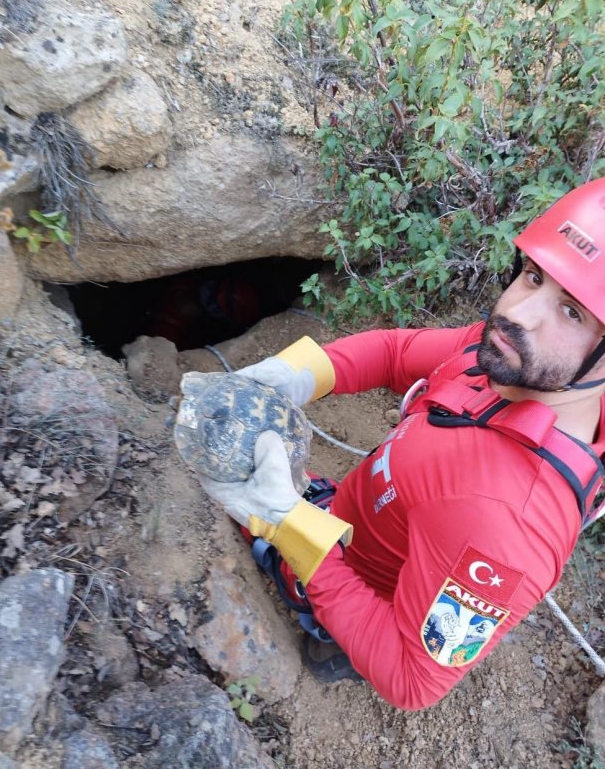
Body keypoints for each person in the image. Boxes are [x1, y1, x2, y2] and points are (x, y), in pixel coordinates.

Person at [189, 178, 605, 711]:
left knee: (251, 519)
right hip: (363, 516)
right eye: (532, 277)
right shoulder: (522, 362)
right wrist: (301, 372)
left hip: (358, 579)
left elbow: (413, 681)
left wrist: (290, 524)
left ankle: (329, 643)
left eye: (573, 312)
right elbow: (397, 350)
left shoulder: (509, 528)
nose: (518, 314)